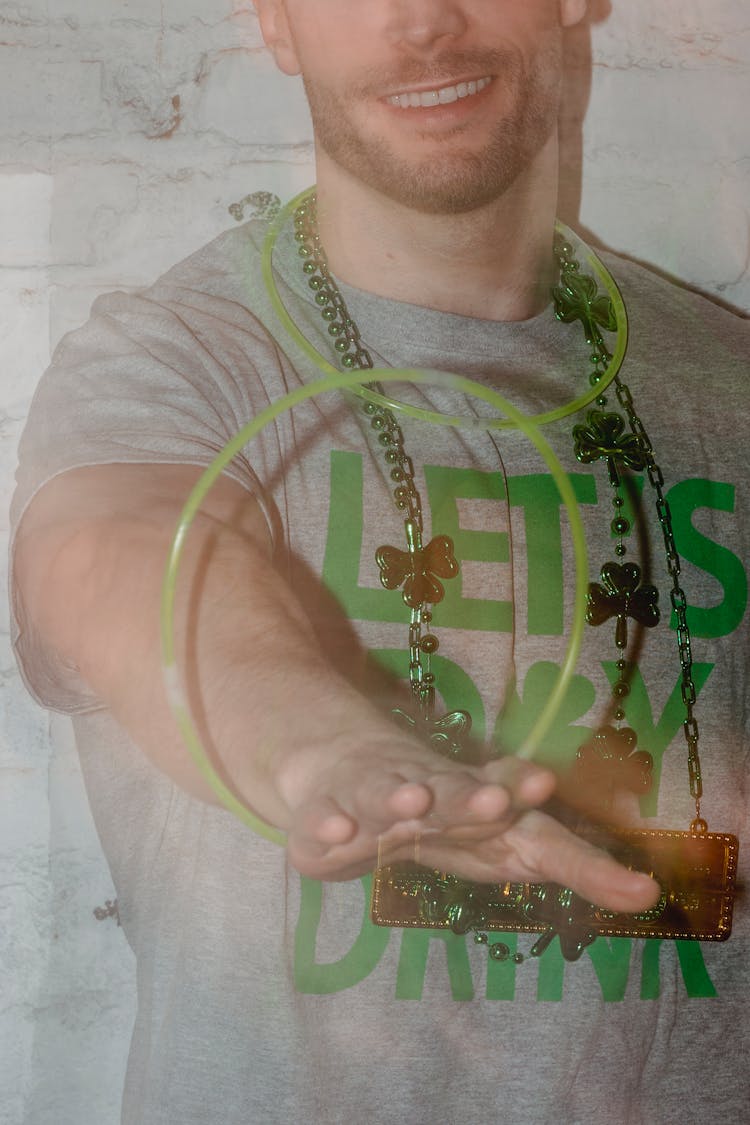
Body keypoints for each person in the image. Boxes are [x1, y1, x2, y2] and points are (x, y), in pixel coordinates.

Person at [9, 1, 749, 1121]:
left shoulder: (730, 380)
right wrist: (311, 741)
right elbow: (116, 550)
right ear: (277, 23)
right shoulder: (178, 356)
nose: (423, 21)